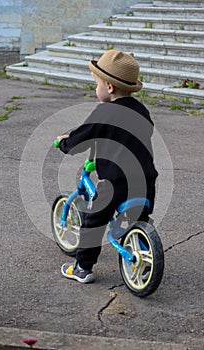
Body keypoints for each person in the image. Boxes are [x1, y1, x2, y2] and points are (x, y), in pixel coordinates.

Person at [56, 49, 158, 283]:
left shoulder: (104, 111)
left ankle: (82, 268)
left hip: (116, 182)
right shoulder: (141, 110)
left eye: (97, 84)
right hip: (146, 179)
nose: (96, 89)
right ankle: (139, 248)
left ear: (109, 88)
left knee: (93, 221)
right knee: (138, 218)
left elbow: (82, 136)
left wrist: (65, 143)